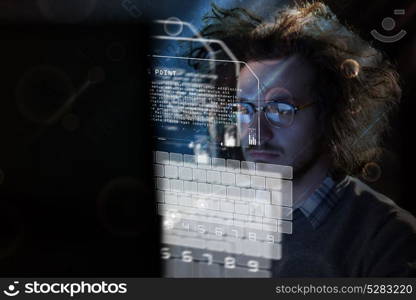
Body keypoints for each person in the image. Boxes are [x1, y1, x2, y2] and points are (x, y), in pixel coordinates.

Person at [193, 1, 416, 276]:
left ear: (331, 112)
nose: (255, 132)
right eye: (243, 109)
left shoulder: (388, 239)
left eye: (280, 109)